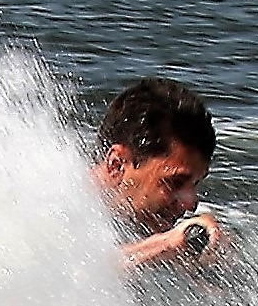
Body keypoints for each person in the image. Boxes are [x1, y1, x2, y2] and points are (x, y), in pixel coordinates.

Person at [89, 78, 229, 272]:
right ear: (117, 165)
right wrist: (167, 244)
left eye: (195, 184)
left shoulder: (128, 217)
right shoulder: (48, 203)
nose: (191, 203)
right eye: (175, 182)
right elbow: (66, 275)